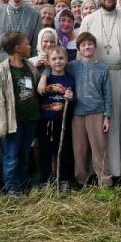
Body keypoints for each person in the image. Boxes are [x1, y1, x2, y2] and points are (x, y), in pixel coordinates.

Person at [79, 0, 121, 180]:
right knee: (100, 126)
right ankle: (101, 171)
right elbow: (81, 55)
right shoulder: (89, 20)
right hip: (96, 81)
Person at [0, 31, 40, 198]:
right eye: (27, 44)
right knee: (12, 155)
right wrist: (2, 122)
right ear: (18, 48)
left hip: (31, 118)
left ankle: (23, 183)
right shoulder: (3, 70)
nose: (30, 46)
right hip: (14, 121)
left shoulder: (30, 66)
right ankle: (11, 187)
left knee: (24, 154)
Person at [65, 32, 112, 187]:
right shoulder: (72, 66)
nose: (87, 47)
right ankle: (81, 181)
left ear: (95, 46)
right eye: (83, 45)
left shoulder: (102, 68)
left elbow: (107, 93)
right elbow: (54, 68)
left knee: (99, 150)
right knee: (79, 150)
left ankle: (104, 182)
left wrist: (107, 115)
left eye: (90, 44)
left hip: (96, 113)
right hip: (77, 114)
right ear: (78, 49)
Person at [35, 45, 75, 189]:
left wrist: (72, 98)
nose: (57, 61)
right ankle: (46, 179)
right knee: (45, 150)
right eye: (54, 59)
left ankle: (63, 179)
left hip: (61, 121)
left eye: (61, 58)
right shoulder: (45, 79)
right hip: (45, 121)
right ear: (48, 62)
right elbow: (37, 99)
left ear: (66, 59)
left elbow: (73, 103)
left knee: (62, 150)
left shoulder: (70, 80)